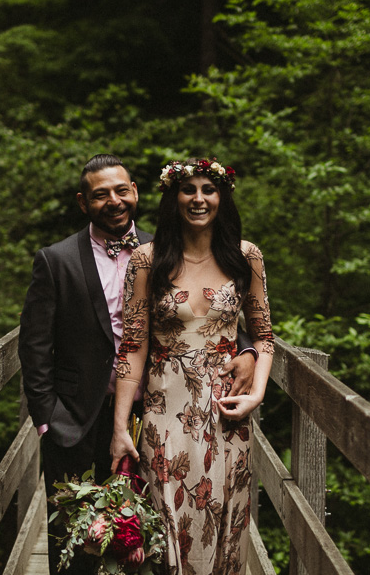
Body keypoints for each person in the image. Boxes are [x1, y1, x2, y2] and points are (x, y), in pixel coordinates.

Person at [18, 154, 257, 575]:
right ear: (82, 202)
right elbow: (35, 347)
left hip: (158, 414)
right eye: (100, 194)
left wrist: (249, 352)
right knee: (72, 544)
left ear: (136, 192)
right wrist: (47, 420)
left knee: (148, 537)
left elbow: (210, 315)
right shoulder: (56, 260)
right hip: (75, 417)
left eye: (121, 190)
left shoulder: (166, 248)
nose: (114, 201)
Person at [110, 156, 274, 575]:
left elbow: (264, 336)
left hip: (227, 415)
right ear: (173, 197)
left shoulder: (246, 256)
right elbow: (132, 346)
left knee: (223, 523)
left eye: (208, 189)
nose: (199, 199)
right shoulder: (147, 260)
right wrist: (119, 427)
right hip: (166, 414)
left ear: (222, 197)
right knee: (167, 527)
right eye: (189, 190)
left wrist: (255, 393)